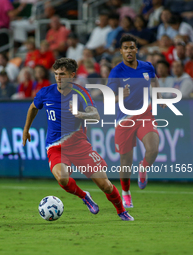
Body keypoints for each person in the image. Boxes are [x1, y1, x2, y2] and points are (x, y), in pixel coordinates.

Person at [23, 58, 134, 221]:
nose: (58, 78)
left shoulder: (80, 93)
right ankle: (84, 196)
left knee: (106, 185)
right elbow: (33, 107)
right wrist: (26, 129)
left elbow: (95, 115)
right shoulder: (46, 92)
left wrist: (80, 114)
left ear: (72, 75)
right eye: (56, 74)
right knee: (62, 177)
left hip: (80, 146)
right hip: (56, 146)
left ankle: (121, 210)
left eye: (62, 74)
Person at [107, 34, 166, 208]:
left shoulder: (147, 67)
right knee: (125, 162)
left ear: (136, 49)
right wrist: (120, 96)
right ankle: (125, 192)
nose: (129, 51)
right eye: (125, 48)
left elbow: (154, 81)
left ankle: (144, 168)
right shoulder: (116, 72)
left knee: (153, 148)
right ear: (121, 51)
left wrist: (159, 96)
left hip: (144, 114)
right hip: (124, 119)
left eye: (132, 47)